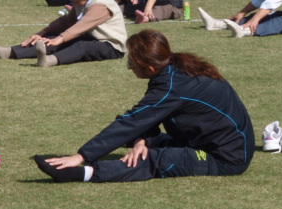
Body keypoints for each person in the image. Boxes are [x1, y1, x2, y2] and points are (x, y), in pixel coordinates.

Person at [34, 29, 254, 184]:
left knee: (153, 159)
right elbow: (147, 114)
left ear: (149, 68)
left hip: (225, 157)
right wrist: (142, 139)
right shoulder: (172, 68)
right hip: (198, 139)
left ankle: (83, 173)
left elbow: (135, 119)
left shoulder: (172, 85)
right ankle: (139, 145)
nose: (129, 67)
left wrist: (81, 157)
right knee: (134, 136)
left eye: (131, 63)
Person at [0, 0, 127, 68]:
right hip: (93, 38)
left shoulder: (101, 5)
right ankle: (9, 52)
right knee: (51, 38)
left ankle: (48, 61)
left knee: (80, 46)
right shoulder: (81, 2)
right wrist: (43, 33)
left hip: (112, 46)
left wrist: (60, 38)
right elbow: (66, 22)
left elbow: (81, 26)